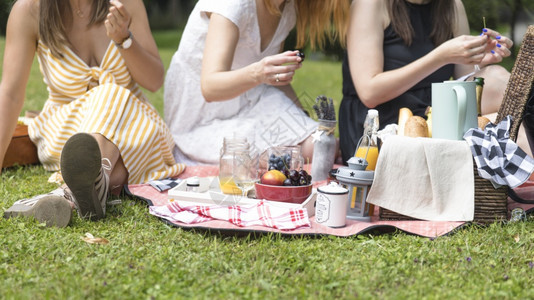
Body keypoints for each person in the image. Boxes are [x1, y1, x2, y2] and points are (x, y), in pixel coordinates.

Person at [0, 0, 185, 227]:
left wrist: (123, 39)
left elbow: (154, 81)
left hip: (134, 124)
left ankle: (66, 195)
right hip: (67, 130)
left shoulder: (125, 4)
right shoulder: (29, 10)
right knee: (108, 93)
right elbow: (10, 95)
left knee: (112, 98)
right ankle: (89, 184)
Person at [164, 0, 349, 165]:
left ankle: (278, 158)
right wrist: (258, 73)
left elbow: (274, 77)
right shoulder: (232, 4)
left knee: (322, 145)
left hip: (252, 98)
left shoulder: (287, 10)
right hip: (201, 115)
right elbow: (209, 87)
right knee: (293, 158)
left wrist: (302, 121)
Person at [339, 0, 518, 163]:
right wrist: (440, 57)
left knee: (499, 81)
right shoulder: (371, 4)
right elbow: (369, 93)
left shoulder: (452, 6)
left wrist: (478, 59)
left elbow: (464, 77)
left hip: (434, 113)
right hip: (380, 125)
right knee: (504, 116)